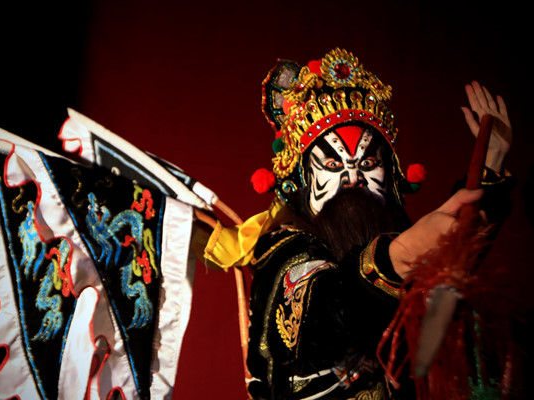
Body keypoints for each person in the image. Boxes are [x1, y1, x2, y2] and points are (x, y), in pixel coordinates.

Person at [204, 48, 514, 399]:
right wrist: (397, 256)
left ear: (391, 177)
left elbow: (450, 277)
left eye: (367, 163)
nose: (353, 178)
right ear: (302, 178)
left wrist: (491, 162)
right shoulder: (285, 248)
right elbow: (319, 317)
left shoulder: (396, 234)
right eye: (333, 165)